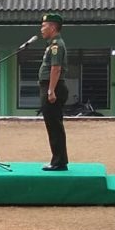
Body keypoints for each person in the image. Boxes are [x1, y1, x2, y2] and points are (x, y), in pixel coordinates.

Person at [38, 13, 69, 171]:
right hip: (51, 86)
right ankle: (59, 160)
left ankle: (58, 162)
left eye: (44, 26)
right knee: (53, 125)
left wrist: (51, 90)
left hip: (54, 88)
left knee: (54, 126)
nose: (41, 29)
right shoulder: (52, 45)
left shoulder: (57, 45)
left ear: (52, 27)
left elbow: (55, 69)